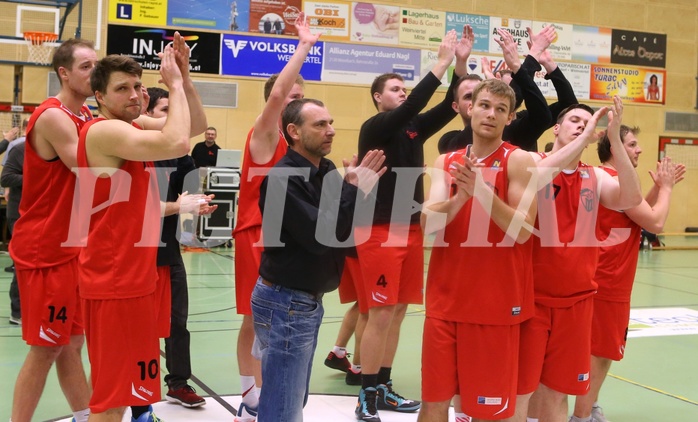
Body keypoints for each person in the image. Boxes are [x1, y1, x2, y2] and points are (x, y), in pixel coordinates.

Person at [75, 36, 206, 421]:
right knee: (112, 402)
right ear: (98, 95)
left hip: (136, 279)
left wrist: (184, 76)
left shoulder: (131, 123)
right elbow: (178, 141)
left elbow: (194, 125)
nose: (134, 94)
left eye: (137, 86)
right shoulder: (104, 131)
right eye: (122, 88)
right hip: (113, 283)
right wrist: (176, 86)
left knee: (128, 394)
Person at [354, 27, 470, 421]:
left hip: (411, 228)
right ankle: (366, 394)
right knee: (381, 312)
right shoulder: (376, 128)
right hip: (379, 229)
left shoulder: (412, 128)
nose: (403, 93)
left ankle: (382, 386)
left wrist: (459, 64)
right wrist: (438, 62)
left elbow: (451, 105)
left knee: (399, 311)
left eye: (404, 88)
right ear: (378, 98)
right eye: (395, 89)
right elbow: (416, 104)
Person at [252, 98, 386, 422]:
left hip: (303, 303)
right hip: (286, 302)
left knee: (291, 396)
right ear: (294, 131)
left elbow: (343, 228)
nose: (331, 131)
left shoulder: (324, 171)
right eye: (321, 125)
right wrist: (353, 190)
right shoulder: (283, 179)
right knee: (284, 403)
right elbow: (320, 236)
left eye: (331, 123)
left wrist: (355, 190)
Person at [516, 97, 643, 422]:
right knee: (523, 393)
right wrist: (585, 139)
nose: (581, 126)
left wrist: (614, 139)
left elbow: (630, 197)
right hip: (532, 301)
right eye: (574, 120)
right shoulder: (531, 159)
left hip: (577, 303)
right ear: (556, 128)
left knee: (558, 394)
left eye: (587, 123)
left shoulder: (595, 177)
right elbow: (537, 175)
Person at [419, 78, 538, 422]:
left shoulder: (520, 161)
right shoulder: (446, 162)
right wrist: (460, 198)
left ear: (510, 118)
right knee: (433, 403)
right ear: (470, 109)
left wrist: (483, 191)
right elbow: (429, 225)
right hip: (445, 302)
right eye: (484, 105)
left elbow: (523, 231)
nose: (491, 114)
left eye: (500, 109)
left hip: (495, 306)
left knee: (487, 412)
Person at [231, 12, 319, 421]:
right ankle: (253, 396)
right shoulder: (264, 134)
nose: (297, 102)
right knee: (258, 320)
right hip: (256, 233)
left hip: (288, 239)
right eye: (292, 97)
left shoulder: (301, 144)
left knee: (280, 324)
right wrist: (303, 47)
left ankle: (270, 396)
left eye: (302, 97)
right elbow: (275, 96)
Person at [569, 127, 683, 422]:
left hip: (601, 277)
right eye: (632, 144)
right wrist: (667, 189)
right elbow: (654, 222)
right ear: (615, 148)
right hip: (609, 281)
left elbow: (632, 213)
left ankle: (589, 406)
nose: (639, 149)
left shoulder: (602, 177)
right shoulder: (615, 179)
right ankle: (582, 416)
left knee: (601, 352)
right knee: (599, 354)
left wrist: (656, 188)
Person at [9, 38, 96, 422]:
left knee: (73, 343)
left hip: (73, 246)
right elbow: (91, 167)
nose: (94, 73)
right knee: (46, 348)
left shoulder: (87, 114)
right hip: (45, 249)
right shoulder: (53, 116)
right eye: (86, 67)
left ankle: (84, 416)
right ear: (63, 73)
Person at [145, 86, 213, 409]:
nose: (171, 118)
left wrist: (198, 203)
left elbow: (189, 190)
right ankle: (138, 397)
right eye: (164, 111)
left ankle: (178, 382)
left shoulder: (178, 154)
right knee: (140, 329)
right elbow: (140, 208)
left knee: (177, 322)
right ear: (147, 117)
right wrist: (179, 205)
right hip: (138, 255)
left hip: (167, 252)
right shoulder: (136, 149)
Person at [438, 25, 577, 154]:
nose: (491, 110)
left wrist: (547, 63)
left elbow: (569, 106)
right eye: (470, 97)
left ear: (510, 116)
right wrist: (531, 56)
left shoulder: (518, 128)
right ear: (460, 106)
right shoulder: (449, 141)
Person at [1, 140, 24, 326]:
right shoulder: (20, 149)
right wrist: (36, 176)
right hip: (19, 214)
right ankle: (17, 312)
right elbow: (5, 178)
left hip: (42, 214)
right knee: (21, 264)